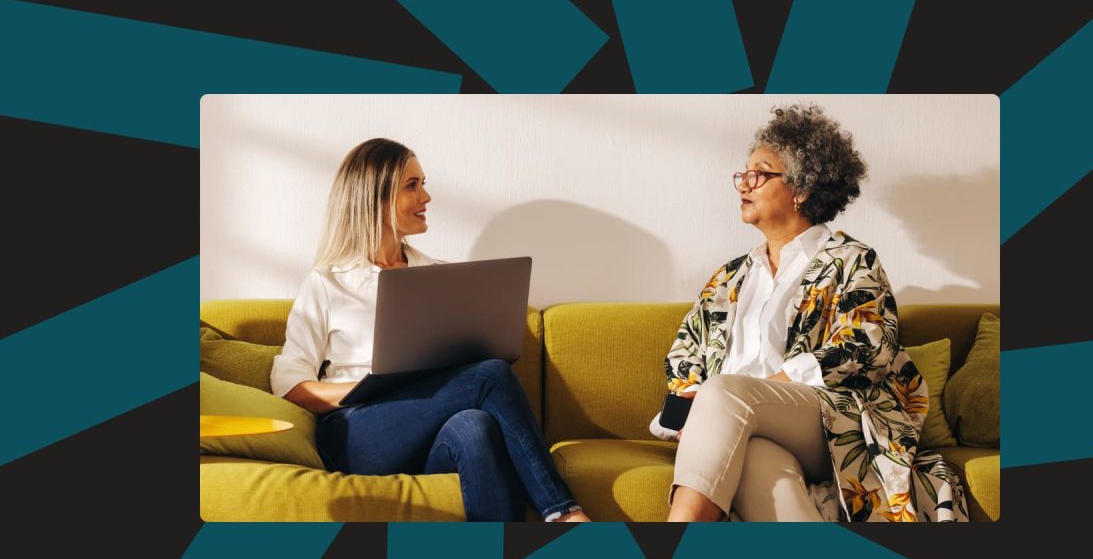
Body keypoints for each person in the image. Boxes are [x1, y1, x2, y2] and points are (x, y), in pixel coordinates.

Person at [652, 106, 967, 522]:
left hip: (825, 421)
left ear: (800, 188)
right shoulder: (729, 278)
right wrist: (697, 400)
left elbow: (867, 345)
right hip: (737, 423)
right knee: (757, 457)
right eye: (742, 174)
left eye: (759, 174)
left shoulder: (851, 260)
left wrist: (748, 392)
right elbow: (685, 352)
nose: (743, 183)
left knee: (726, 394)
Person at [271, 138, 589, 523]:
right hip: (357, 432)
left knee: (475, 427)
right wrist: (363, 389)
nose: (427, 196)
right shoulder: (328, 282)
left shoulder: (441, 277)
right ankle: (564, 514)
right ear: (375, 198)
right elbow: (290, 382)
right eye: (412, 186)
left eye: (423, 183)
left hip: (429, 428)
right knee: (489, 375)